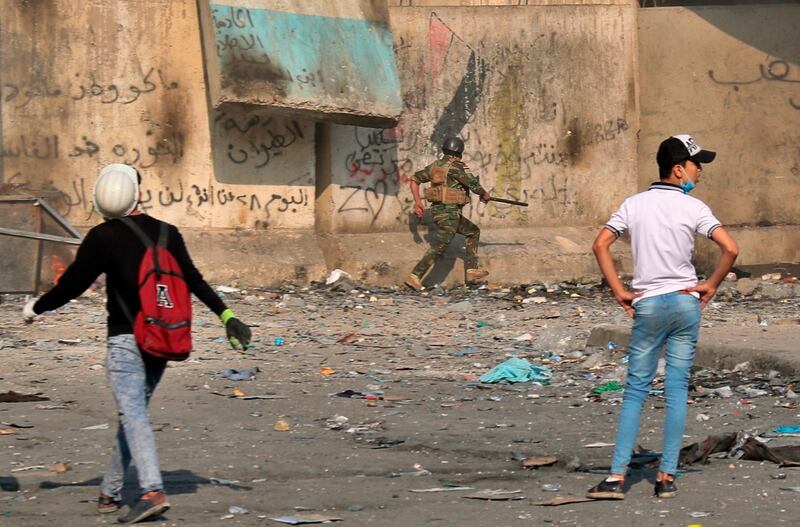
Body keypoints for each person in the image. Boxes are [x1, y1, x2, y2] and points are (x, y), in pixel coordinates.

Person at [22, 164, 252, 524]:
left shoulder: (102, 237)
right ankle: (109, 494)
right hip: (162, 339)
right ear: (138, 195)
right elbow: (194, 280)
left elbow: (72, 286)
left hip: (125, 342)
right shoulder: (168, 233)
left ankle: (151, 491)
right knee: (133, 416)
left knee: (133, 415)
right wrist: (228, 318)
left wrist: (36, 307)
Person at [586, 134, 739, 500]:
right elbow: (731, 248)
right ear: (677, 169)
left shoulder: (633, 205)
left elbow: (600, 244)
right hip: (687, 304)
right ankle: (667, 477)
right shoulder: (695, 208)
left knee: (635, 391)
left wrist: (619, 291)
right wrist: (711, 285)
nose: (699, 171)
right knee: (675, 391)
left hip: (649, 304)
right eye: (696, 164)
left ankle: (616, 478)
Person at [405, 137, 491, 290]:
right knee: (439, 246)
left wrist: (418, 202)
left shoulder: (434, 166)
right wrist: (484, 194)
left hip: (441, 213)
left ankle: (471, 270)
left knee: (473, 231)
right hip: (450, 214)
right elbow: (473, 184)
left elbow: (414, 180)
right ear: (459, 152)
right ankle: (415, 276)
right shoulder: (456, 167)